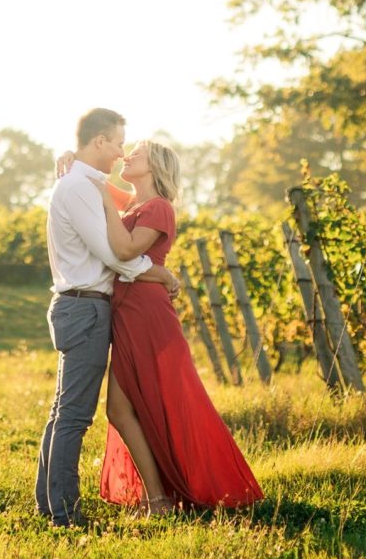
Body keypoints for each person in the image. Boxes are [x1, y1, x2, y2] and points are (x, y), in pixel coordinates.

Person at [74, 141, 264, 513]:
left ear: (155, 165)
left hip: (149, 318)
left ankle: (160, 497)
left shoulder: (158, 208)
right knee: (122, 410)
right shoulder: (129, 203)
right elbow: (85, 177)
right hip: (127, 316)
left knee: (155, 406)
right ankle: (157, 495)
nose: (127, 156)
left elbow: (126, 251)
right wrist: (69, 158)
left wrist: (103, 196)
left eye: (137, 154)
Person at [34, 108, 181, 528]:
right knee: (75, 416)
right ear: (99, 141)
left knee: (65, 411)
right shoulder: (81, 187)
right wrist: (161, 274)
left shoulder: (83, 182)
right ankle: (63, 513)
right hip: (84, 307)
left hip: (83, 305)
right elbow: (115, 254)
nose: (120, 153)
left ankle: (51, 504)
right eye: (117, 142)